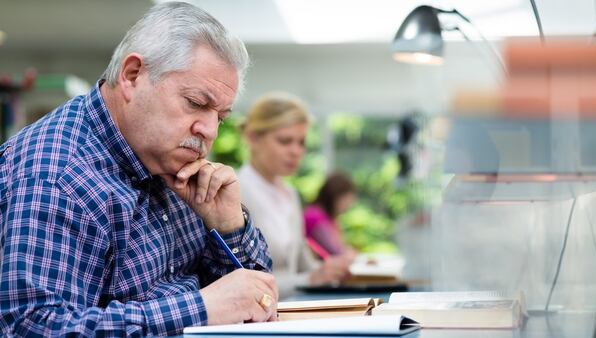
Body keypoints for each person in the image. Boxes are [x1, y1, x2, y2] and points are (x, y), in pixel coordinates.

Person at [0, 2, 278, 336]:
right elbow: (31, 326)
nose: (210, 131)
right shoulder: (59, 175)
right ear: (132, 76)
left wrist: (229, 226)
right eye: (196, 103)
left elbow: (257, 299)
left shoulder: (170, 161)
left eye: (220, 116)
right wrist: (201, 309)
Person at [238, 92, 353, 298]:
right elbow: (241, 282)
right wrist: (309, 280)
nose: (296, 151)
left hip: (292, 312)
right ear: (252, 137)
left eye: (301, 142)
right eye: (285, 141)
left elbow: (303, 264)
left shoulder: (290, 194)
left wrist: (332, 269)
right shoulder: (235, 192)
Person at [304, 171, 358, 258]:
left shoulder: (329, 218)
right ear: (335, 195)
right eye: (346, 200)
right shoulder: (314, 216)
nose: (348, 206)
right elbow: (334, 251)